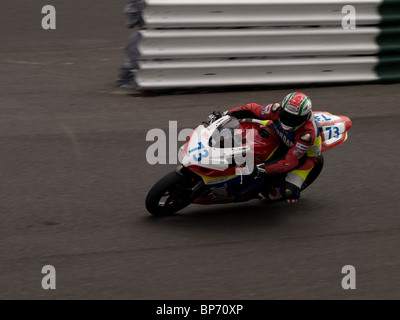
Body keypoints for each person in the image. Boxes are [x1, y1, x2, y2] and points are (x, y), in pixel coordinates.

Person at [207, 92, 323, 203]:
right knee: (242, 125)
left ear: (304, 118)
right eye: (285, 115)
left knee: (282, 193)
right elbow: (251, 109)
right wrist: (225, 114)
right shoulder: (276, 109)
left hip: (303, 157)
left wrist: (262, 169)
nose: (288, 120)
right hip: (276, 133)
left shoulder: (307, 134)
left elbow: (289, 161)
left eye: (293, 119)